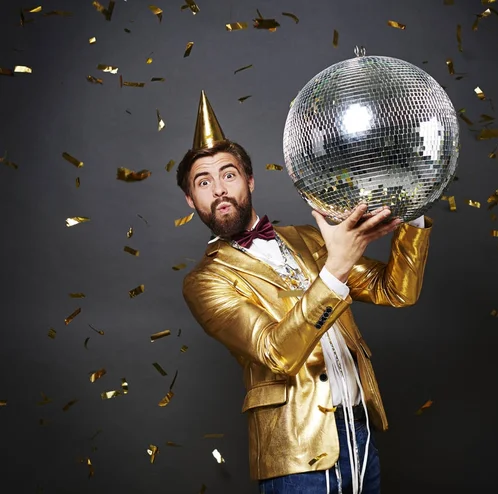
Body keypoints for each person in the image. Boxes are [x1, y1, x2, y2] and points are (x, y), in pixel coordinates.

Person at [177, 91, 433, 494]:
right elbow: (275, 353)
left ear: (249, 180)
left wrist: (413, 204)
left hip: (359, 435)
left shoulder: (310, 238)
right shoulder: (205, 282)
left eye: (228, 174)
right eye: (203, 182)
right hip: (296, 455)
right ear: (191, 200)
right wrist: (336, 268)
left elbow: (396, 291)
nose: (219, 190)